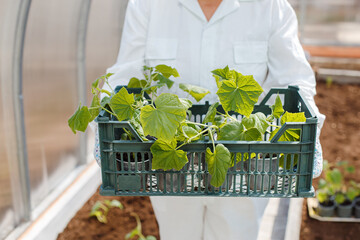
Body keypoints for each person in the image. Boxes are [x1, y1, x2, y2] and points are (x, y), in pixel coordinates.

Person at [98, 0, 325, 239]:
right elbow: (124, 75)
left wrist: (310, 130)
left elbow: (295, 79)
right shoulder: (147, 6)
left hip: (245, 168)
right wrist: (103, 121)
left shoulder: (270, 6)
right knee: (178, 233)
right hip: (170, 165)